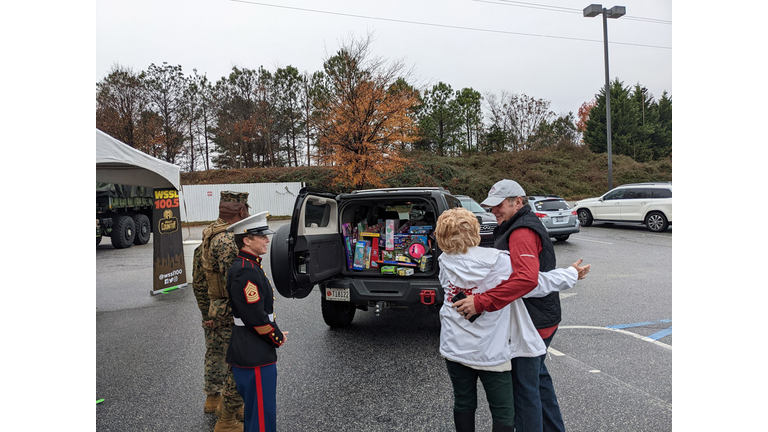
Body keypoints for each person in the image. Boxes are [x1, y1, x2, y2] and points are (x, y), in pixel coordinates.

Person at [436, 208, 590, 432]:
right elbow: (534, 283)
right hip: (491, 349)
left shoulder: (444, 261)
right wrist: (571, 273)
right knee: (503, 410)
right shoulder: (498, 262)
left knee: (464, 402)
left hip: (454, 345)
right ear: (475, 232)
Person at [225, 211, 288, 432]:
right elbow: (255, 317)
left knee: (255, 414)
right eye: (261, 236)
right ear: (247, 240)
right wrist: (275, 336)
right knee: (262, 417)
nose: (267, 240)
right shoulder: (246, 271)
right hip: (254, 352)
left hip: (251, 347)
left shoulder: (248, 265)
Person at [199, 191, 250, 432]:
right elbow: (237, 283)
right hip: (229, 308)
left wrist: (206, 312)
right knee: (238, 362)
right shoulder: (229, 240)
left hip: (215, 306)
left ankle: (215, 400)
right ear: (241, 211)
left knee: (217, 353)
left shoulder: (209, 232)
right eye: (247, 209)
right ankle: (227, 417)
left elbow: (198, 277)